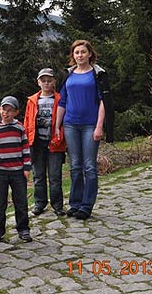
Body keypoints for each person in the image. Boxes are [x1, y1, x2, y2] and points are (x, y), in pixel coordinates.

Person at [55, 40, 114, 220]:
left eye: (83, 52)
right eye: (76, 52)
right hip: (71, 124)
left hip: (90, 125)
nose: (79, 55)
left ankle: (87, 206)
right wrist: (57, 125)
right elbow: (62, 101)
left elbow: (103, 101)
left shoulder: (97, 75)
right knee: (75, 166)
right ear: (73, 56)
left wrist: (99, 126)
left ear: (90, 54)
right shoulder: (69, 75)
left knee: (89, 167)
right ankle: (75, 204)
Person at [0, 96, 32, 244]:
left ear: (16, 112)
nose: (6, 113)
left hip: (17, 171)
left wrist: (27, 167)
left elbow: (25, 148)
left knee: (21, 202)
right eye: (4, 109)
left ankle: (23, 229)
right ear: (0, 110)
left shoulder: (19, 128)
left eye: (10, 110)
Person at [24, 68, 67, 217]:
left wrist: (61, 137)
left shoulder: (60, 99)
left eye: (49, 80)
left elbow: (64, 121)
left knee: (55, 176)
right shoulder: (32, 101)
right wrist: (26, 141)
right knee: (38, 175)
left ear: (54, 82)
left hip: (55, 142)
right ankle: (40, 203)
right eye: (43, 81)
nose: (46, 83)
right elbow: (27, 121)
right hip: (36, 143)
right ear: (38, 82)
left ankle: (57, 205)